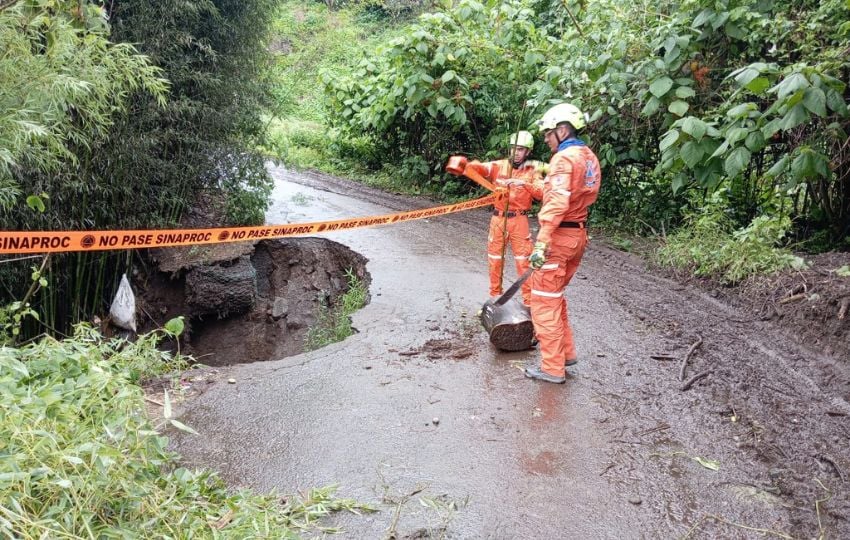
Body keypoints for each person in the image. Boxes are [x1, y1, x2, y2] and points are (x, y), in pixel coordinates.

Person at [524, 103, 601, 384]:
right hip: (577, 234)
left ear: (563, 129)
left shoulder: (563, 159)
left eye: (548, 133)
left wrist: (542, 242)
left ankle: (552, 368)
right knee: (555, 297)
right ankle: (565, 354)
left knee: (543, 300)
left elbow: (557, 201)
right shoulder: (587, 156)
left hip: (558, 237)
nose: (545, 139)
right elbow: (576, 188)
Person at [446, 132, 544, 305]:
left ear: (528, 151)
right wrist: (467, 165)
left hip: (519, 221)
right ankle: (494, 301)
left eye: (520, 149)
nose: (516, 153)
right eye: (513, 149)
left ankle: (529, 305)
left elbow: (542, 192)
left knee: (523, 262)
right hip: (498, 219)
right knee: (495, 260)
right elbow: (482, 168)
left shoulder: (532, 171)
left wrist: (524, 184)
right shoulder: (499, 165)